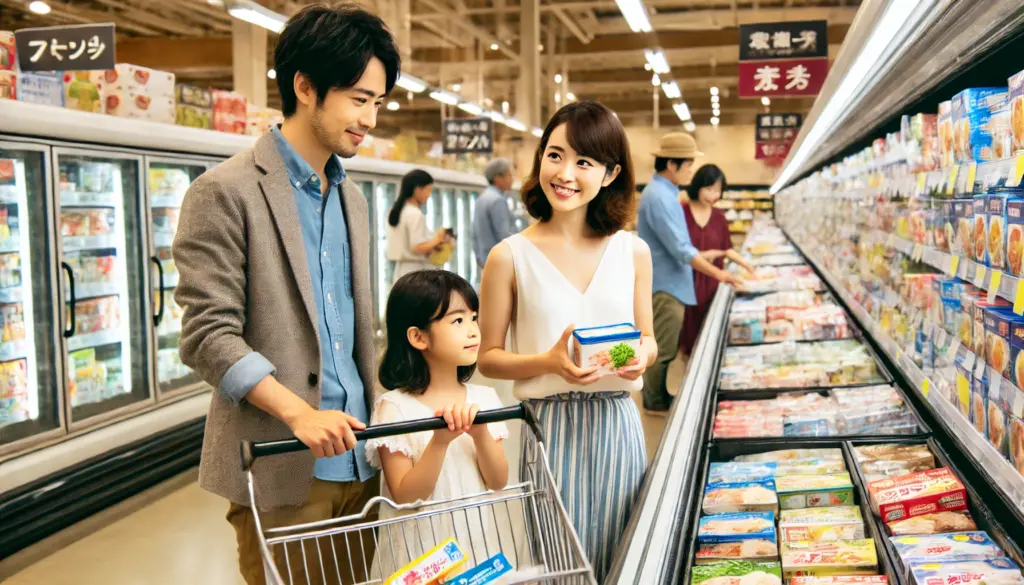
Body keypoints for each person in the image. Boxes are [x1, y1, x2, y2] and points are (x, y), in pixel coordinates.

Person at [171, 5, 400, 584]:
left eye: (377, 102)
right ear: (305, 86)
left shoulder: (354, 199)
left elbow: (352, 329)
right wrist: (299, 412)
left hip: (362, 458)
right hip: (281, 464)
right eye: (357, 98)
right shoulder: (224, 192)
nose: (369, 118)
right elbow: (207, 335)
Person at [477, 101, 656, 581]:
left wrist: (638, 356)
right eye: (555, 155)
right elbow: (488, 358)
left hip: (618, 423)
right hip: (549, 429)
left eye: (585, 162)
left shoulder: (632, 251)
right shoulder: (509, 255)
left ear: (611, 173)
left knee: (625, 562)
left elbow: (648, 339)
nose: (566, 173)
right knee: (561, 567)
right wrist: (548, 362)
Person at [367, 270, 510, 576]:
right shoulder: (393, 407)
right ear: (418, 337)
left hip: (475, 548)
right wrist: (440, 442)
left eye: (474, 318)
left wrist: (481, 434)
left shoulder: (483, 398)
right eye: (458, 321)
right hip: (419, 558)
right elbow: (405, 495)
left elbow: (498, 481)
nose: (473, 330)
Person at [636, 133, 741, 416]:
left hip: (673, 282)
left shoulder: (667, 193)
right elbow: (682, 249)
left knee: (667, 346)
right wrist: (720, 275)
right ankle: (654, 401)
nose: (691, 171)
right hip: (666, 285)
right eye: (688, 164)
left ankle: (659, 396)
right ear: (672, 164)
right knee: (664, 348)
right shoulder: (659, 197)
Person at [679, 164, 754, 355]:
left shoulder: (719, 216)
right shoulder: (681, 213)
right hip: (686, 282)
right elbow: (677, 250)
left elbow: (727, 248)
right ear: (698, 187)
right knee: (689, 336)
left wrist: (746, 265)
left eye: (718, 191)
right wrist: (703, 256)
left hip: (713, 283)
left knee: (710, 330)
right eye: (709, 189)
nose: (713, 195)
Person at [386, 169, 452, 281]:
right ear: (417, 190)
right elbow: (417, 247)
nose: (429, 195)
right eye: (428, 190)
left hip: (400, 270)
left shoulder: (395, 211)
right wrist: (437, 240)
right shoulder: (415, 214)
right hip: (415, 271)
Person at [472, 157, 517, 270]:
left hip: (485, 260)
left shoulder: (482, 198)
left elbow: (475, 233)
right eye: (509, 175)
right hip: (499, 262)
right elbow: (504, 235)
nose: (512, 179)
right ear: (498, 178)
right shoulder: (498, 201)